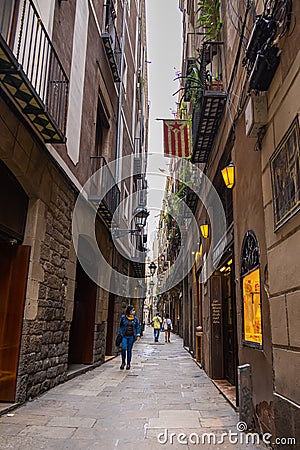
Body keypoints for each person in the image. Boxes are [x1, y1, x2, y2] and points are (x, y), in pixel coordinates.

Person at [118, 305, 141, 370]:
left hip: (131, 336)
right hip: (124, 336)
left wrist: (138, 335)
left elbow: (137, 327)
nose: (133, 311)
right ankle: (123, 362)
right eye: (132, 310)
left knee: (129, 350)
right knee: (123, 348)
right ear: (129, 310)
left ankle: (128, 363)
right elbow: (121, 325)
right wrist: (120, 332)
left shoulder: (135, 318)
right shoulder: (123, 317)